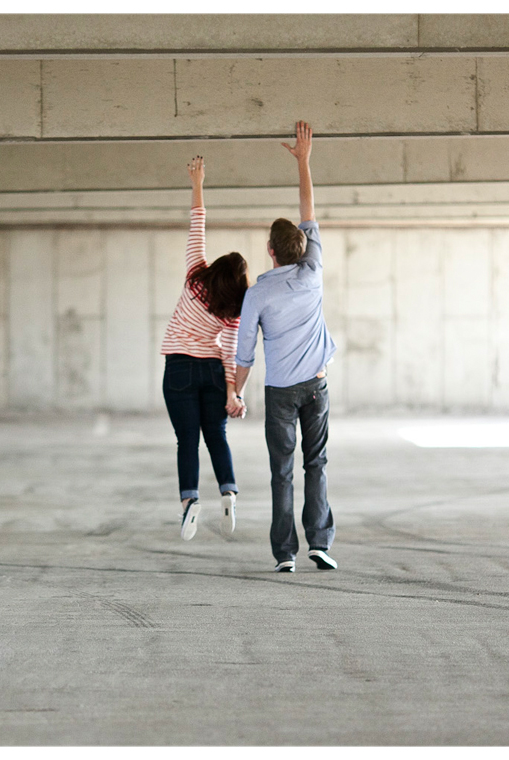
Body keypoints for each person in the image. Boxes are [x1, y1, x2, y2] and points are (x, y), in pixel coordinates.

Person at [228, 121, 338, 573]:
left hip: (279, 393)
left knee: (282, 473)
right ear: (301, 247)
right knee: (318, 464)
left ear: (271, 252)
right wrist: (304, 161)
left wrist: (234, 393)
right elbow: (308, 209)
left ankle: (285, 555)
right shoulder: (312, 271)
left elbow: (244, 353)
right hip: (316, 386)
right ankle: (320, 543)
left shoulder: (257, 293)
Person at [161, 156, 250, 541]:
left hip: (180, 367)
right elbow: (230, 352)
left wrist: (197, 182)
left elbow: (197, 223)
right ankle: (228, 490)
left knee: (187, 440)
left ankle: (189, 502)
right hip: (214, 373)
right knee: (217, 435)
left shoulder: (195, 274)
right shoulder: (235, 309)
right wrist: (233, 393)